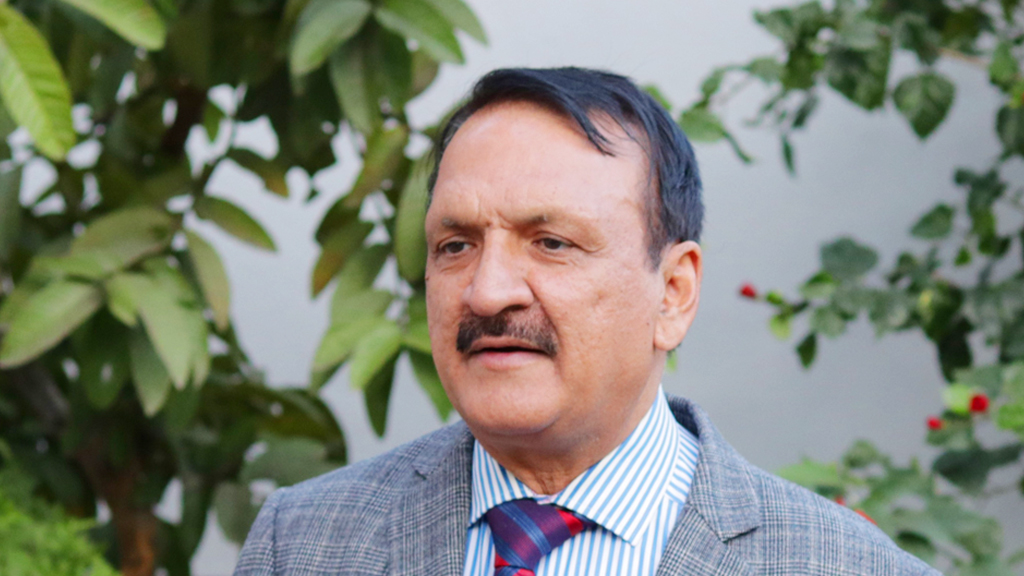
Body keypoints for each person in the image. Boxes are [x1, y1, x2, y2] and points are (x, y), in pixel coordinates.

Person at [233, 67, 939, 576]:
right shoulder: (304, 544)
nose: (487, 292)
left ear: (673, 293)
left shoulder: (846, 566)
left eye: (551, 243)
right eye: (455, 245)